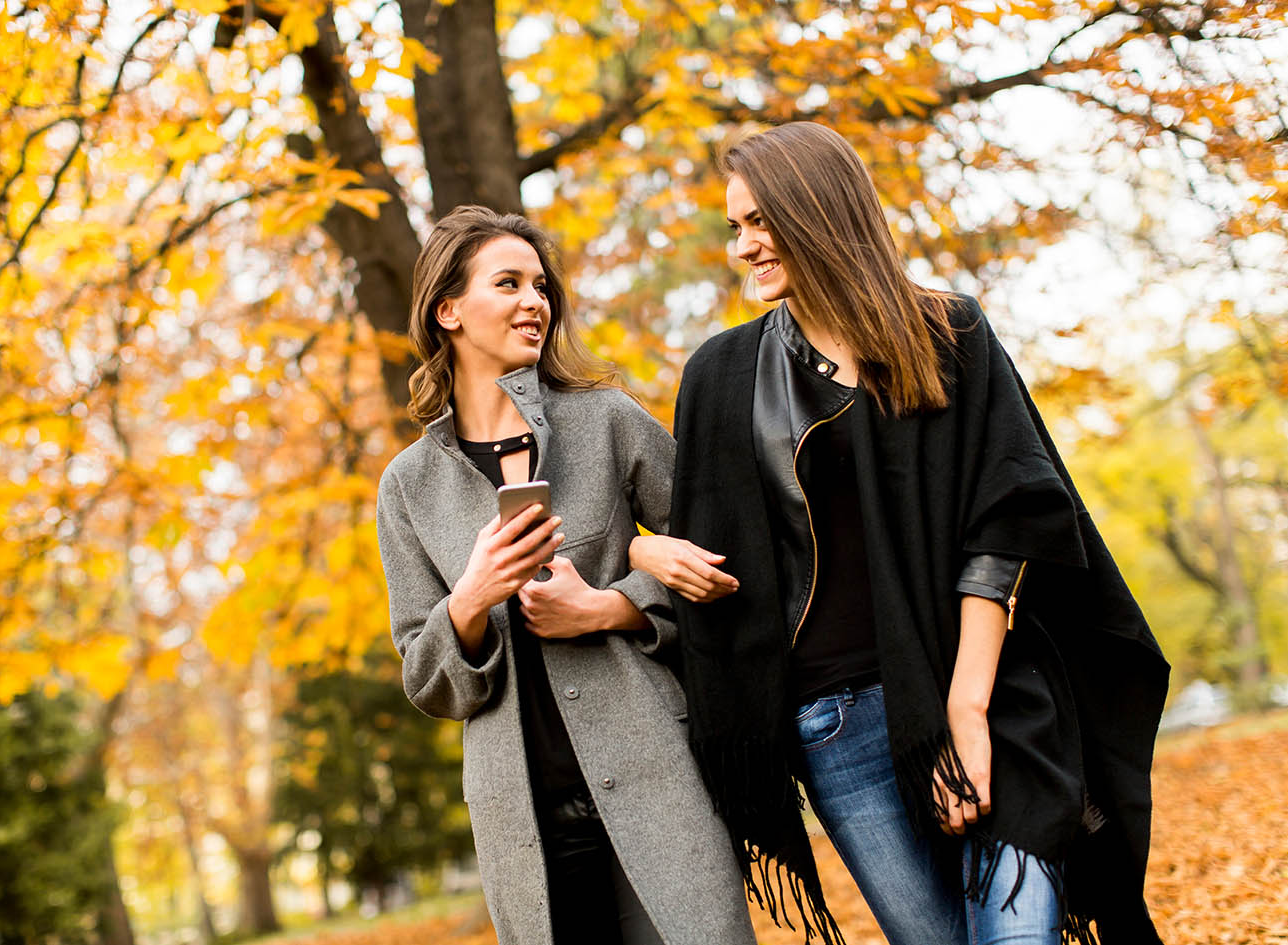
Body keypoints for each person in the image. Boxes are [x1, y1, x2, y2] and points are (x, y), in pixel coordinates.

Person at [631, 122, 1170, 945]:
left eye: (756, 222)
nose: (740, 246)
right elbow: (703, 533)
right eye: (732, 227)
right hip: (834, 723)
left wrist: (965, 706)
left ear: (815, 211)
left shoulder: (948, 331)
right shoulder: (721, 372)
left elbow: (1012, 516)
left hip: (984, 693)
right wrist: (640, 548)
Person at [374, 205, 755, 945]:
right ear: (448, 309)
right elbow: (427, 679)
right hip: (526, 828)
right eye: (508, 283)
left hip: (657, 785)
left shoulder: (606, 420)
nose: (534, 302)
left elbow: (726, 555)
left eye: (541, 286)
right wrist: (472, 598)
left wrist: (616, 604)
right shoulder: (407, 485)